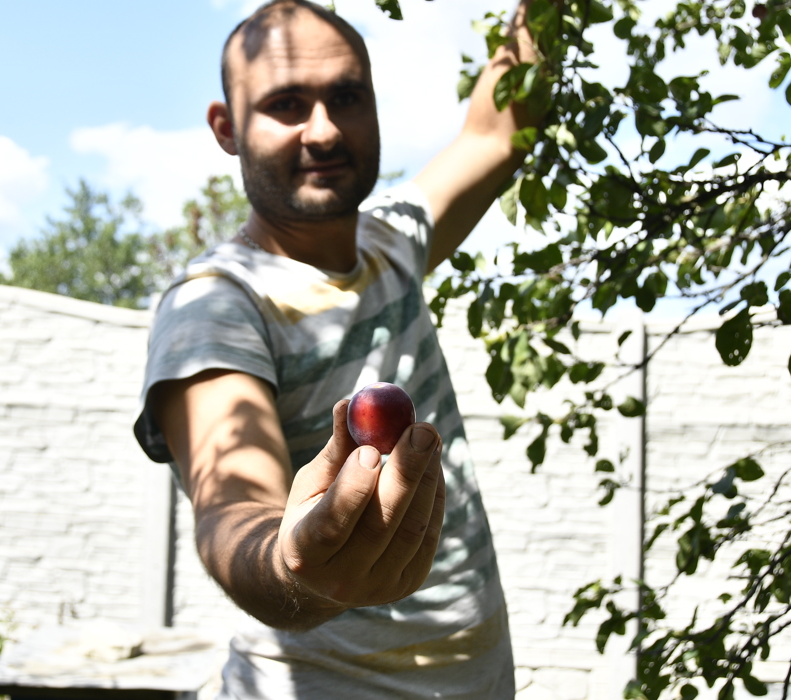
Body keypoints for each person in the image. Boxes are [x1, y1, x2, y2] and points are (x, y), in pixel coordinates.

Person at [135, 1, 534, 696]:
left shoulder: (392, 242)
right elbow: (233, 512)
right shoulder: (216, 306)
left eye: (346, 98)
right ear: (228, 128)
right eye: (286, 104)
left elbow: (496, 133)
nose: (322, 130)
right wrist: (292, 565)